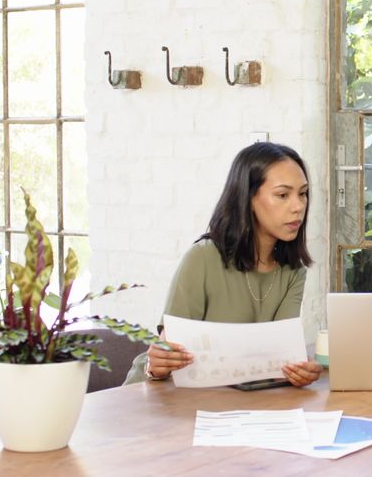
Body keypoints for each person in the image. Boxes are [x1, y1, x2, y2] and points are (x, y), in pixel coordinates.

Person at [125, 142, 323, 387]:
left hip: (228, 404)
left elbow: (278, 359)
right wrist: (156, 365)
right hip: (157, 396)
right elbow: (166, 356)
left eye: (302, 193)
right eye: (283, 195)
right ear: (249, 197)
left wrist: (297, 372)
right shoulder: (203, 258)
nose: (298, 206)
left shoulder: (293, 270)